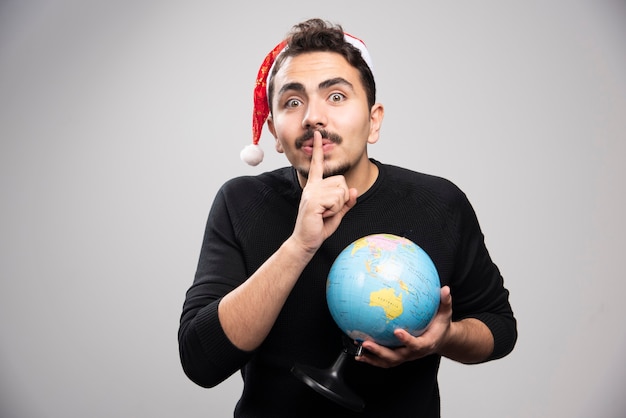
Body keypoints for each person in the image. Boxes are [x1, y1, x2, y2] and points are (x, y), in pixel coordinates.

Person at [178, 18, 517, 418]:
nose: (313, 118)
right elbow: (202, 361)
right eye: (292, 101)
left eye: (336, 97)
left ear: (374, 120)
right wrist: (299, 246)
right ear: (273, 130)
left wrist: (444, 338)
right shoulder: (241, 201)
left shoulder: (439, 202)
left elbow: (499, 327)